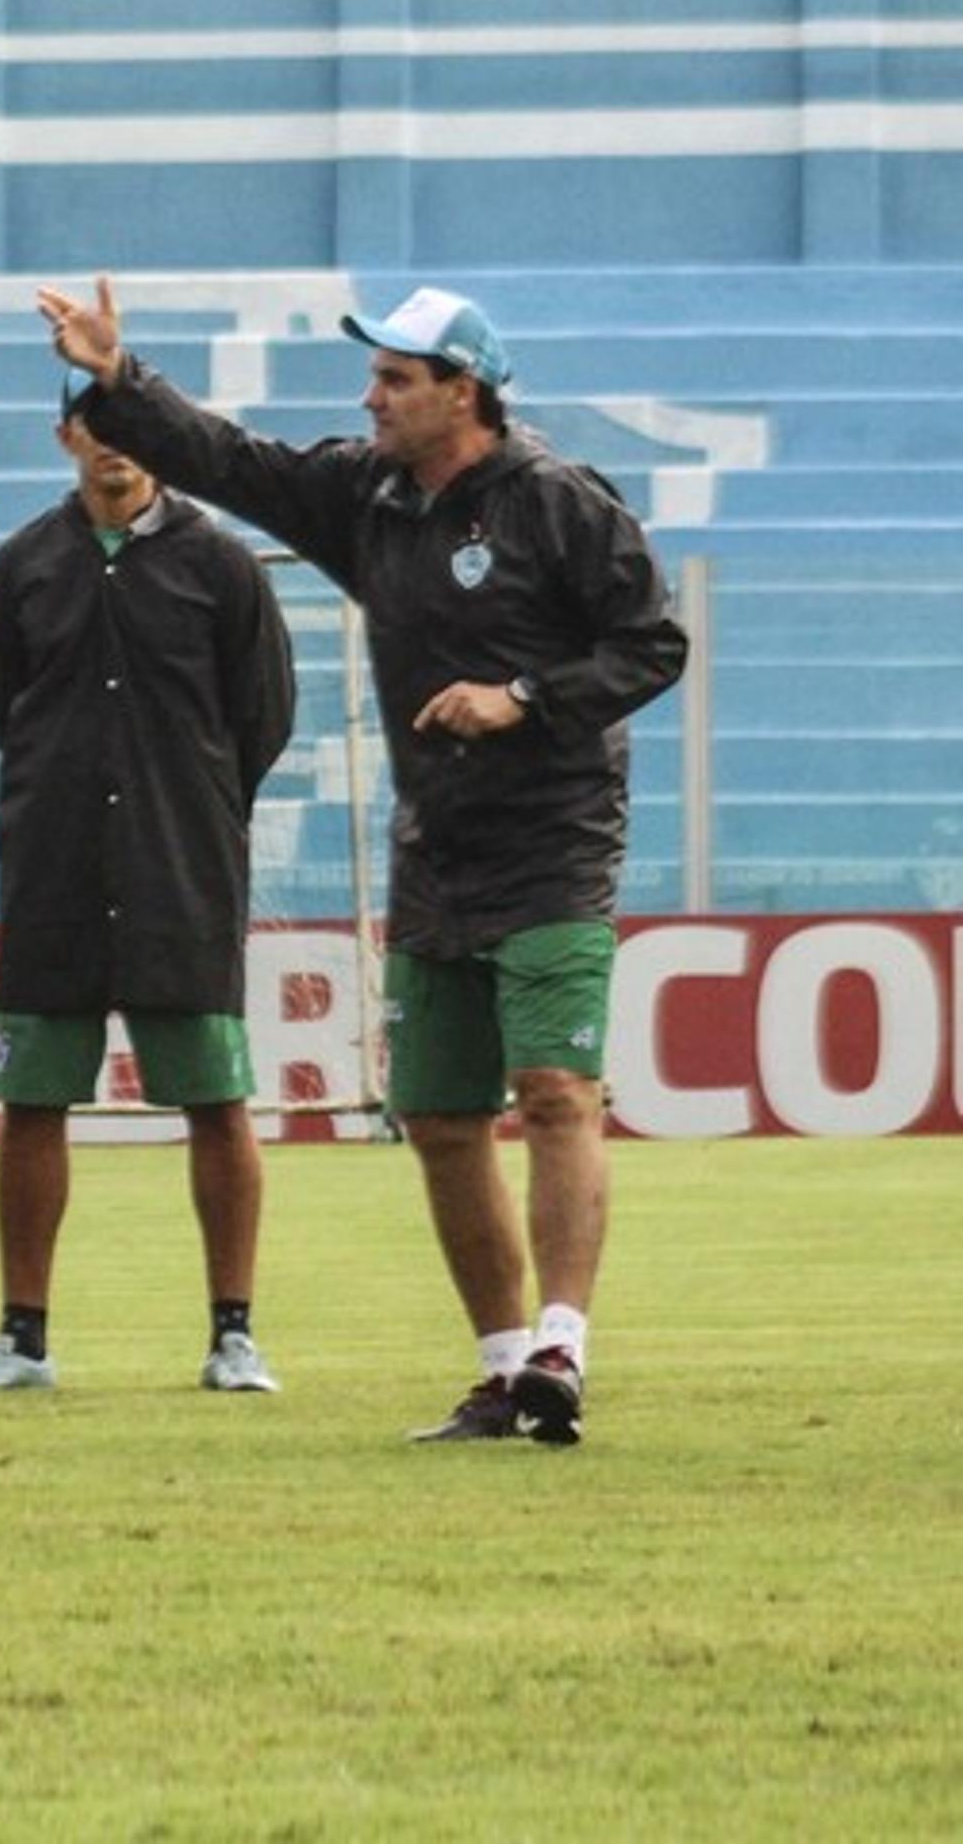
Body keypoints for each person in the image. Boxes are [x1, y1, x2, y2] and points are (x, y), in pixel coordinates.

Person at [42, 279, 686, 1447]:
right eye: (374, 375)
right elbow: (227, 459)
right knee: (438, 1117)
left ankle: (560, 1342)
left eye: (396, 377)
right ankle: (504, 1372)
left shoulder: (555, 501)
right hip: (435, 846)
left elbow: (654, 639)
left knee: (553, 1093)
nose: (371, 395)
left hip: (556, 840)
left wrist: (526, 697)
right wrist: (115, 377)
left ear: (464, 390)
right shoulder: (366, 494)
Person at [0, 388, 292, 1401]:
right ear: (66, 439)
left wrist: (194, 807)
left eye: (135, 432)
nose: (116, 451)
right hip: (53, 867)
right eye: (97, 430)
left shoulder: (222, 565)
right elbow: (15, 711)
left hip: (183, 869)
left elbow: (261, 721)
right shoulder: (21, 566)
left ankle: (234, 1335)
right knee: (32, 1097)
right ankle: (22, 1339)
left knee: (216, 1098)